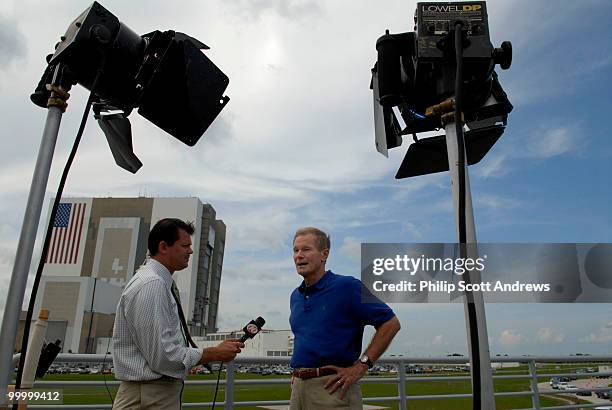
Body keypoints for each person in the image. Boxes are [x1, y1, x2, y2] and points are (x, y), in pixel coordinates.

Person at [112, 218, 244, 410]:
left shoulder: (156, 281)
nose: (190, 251)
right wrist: (214, 353)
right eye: (185, 245)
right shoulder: (152, 284)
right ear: (163, 247)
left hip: (151, 392)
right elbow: (163, 357)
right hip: (151, 394)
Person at [289, 227, 401, 409]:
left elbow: (391, 323)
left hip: (333, 389)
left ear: (324, 254)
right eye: (296, 250)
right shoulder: (295, 296)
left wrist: (361, 366)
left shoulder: (347, 287)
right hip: (298, 388)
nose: (299, 255)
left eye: (306, 249)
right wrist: (300, 374)